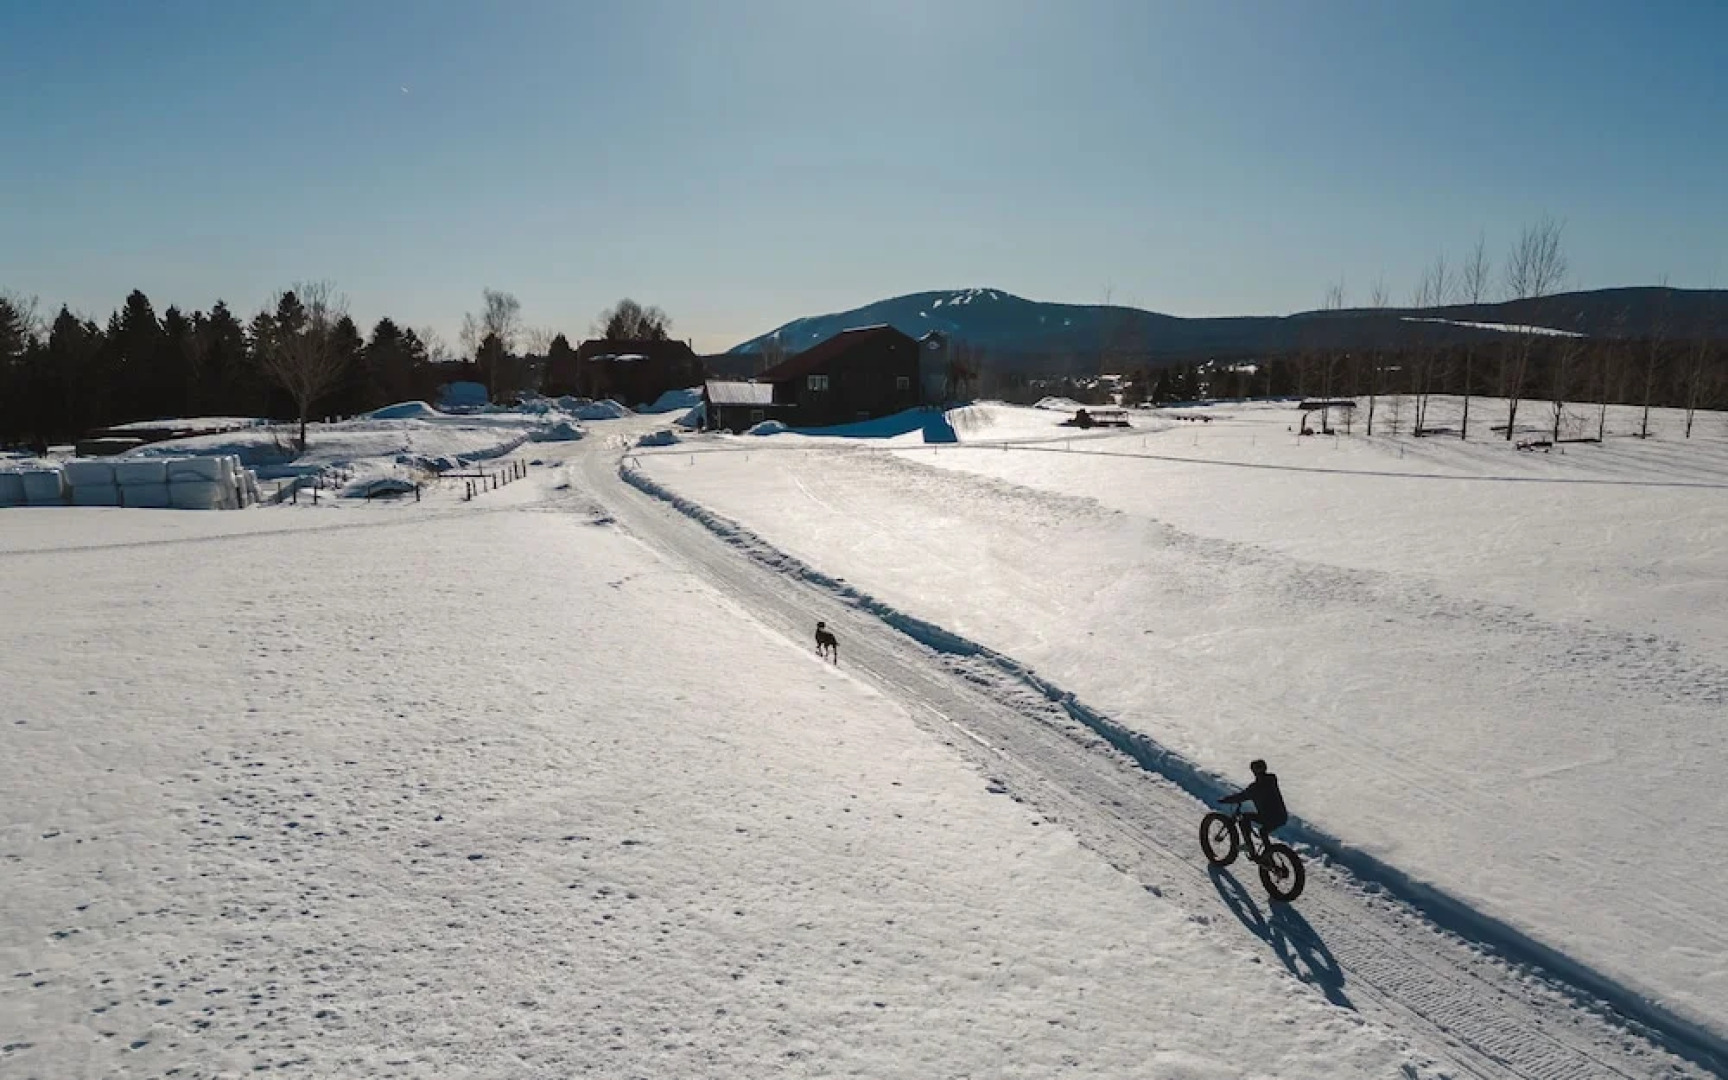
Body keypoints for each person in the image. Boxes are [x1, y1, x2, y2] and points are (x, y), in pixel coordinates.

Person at [1220, 759, 1287, 863]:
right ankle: (1268, 854)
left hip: (1267, 817)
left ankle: (1249, 846)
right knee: (1263, 831)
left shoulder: (1254, 788)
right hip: (1282, 816)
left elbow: (1242, 796)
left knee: (1243, 817)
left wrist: (1226, 800)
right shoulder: (1272, 779)